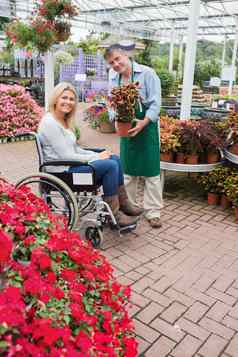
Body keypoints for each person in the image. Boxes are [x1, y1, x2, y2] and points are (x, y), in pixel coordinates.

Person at [38, 82, 143, 229]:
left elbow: (75, 149)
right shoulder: (50, 122)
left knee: (114, 158)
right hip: (62, 172)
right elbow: (66, 155)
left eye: (71, 99)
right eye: (64, 98)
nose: (68, 102)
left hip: (71, 165)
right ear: (56, 98)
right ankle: (114, 214)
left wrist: (97, 153)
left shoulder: (62, 120)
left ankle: (124, 204)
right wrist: (96, 158)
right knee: (110, 165)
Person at [105, 44, 163, 228]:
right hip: (126, 127)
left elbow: (155, 103)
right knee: (128, 172)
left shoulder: (147, 73)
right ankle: (129, 207)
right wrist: (115, 119)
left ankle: (153, 212)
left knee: (151, 173)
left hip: (147, 127)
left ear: (126, 55)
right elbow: (111, 102)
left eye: (117, 59)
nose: (115, 64)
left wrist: (143, 122)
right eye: (111, 62)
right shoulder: (113, 77)